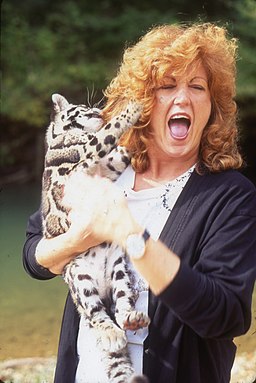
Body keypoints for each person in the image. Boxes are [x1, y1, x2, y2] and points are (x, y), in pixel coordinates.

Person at [23, 22, 256, 383]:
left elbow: (225, 316)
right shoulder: (104, 171)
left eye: (197, 87)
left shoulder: (231, 196)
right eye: (167, 86)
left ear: (212, 106)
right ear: (144, 102)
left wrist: (131, 235)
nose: (183, 98)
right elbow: (33, 254)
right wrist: (77, 240)